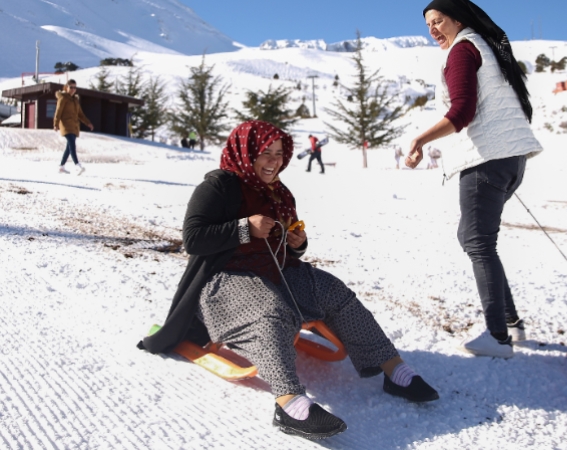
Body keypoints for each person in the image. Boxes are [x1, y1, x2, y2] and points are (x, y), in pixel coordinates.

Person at [138, 121, 438, 439]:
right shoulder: (219, 186)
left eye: (279, 154)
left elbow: (284, 246)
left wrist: (298, 243)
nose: (274, 161)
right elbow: (194, 239)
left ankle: (392, 368)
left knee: (334, 290)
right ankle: (287, 401)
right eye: (265, 153)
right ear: (246, 152)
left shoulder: (279, 192)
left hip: (274, 272)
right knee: (270, 309)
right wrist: (244, 227)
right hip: (224, 281)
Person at [406, 0, 543, 358]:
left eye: (438, 21)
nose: (433, 29)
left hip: (488, 161)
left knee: (478, 241)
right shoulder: (482, 47)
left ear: (458, 19)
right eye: (428, 24)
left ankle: (498, 337)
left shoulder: (463, 51)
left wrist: (420, 139)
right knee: (475, 238)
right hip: (509, 160)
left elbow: (462, 112)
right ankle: (511, 322)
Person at [54, 80, 93, 175]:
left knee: (69, 147)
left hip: (74, 125)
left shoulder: (75, 100)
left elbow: (80, 114)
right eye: (71, 87)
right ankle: (77, 165)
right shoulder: (63, 98)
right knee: (72, 144)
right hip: (66, 125)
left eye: (75, 87)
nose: (73, 89)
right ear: (66, 87)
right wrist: (56, 123)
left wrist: (88, 123)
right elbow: (58, 111)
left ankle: (61, 166)